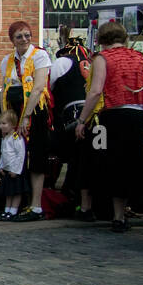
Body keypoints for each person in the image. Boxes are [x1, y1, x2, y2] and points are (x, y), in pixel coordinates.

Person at [77, 20, 143, 233]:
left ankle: (114, 214)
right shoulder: (138, 56)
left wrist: (82, 120)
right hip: (137, 115)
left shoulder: (102, 58)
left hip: (113, 115)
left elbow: (96, 90)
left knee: (111, 162)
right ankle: (123, 212)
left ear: (101, 39)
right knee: (131, 163)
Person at [0, 21, 51, 222]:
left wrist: (26, 116)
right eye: (19, 36)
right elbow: (5, 88)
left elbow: (38, 88)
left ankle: (36, 205)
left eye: (27, 35)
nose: (24, 39)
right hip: (15, 111)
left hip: (34, 111)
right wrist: (7, 118)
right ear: (12, 39)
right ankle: (15, 204)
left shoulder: (39, 55)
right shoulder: (7, 60)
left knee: (35, 156)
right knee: (15, 154)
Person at [50, 29, 95, 219]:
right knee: (87, 160)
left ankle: (72, 198)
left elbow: (50, 89)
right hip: (95, 117)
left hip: (72, 118)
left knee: (74, 159)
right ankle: (84, 202)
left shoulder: (62, 62)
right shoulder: (93, 63)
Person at [0, 108, 26, 220]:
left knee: (16, 192)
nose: (1, 126)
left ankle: (13, 211)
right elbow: (4, 154)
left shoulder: (15, 137)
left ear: (12, 124)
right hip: (7, 171)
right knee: (8, 192)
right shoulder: (5, 138)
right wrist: (0, 166)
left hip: (15, 171)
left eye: (4, 123)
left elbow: (20, 154)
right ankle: (7, 210)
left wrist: (16, 170)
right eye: (0, 123)